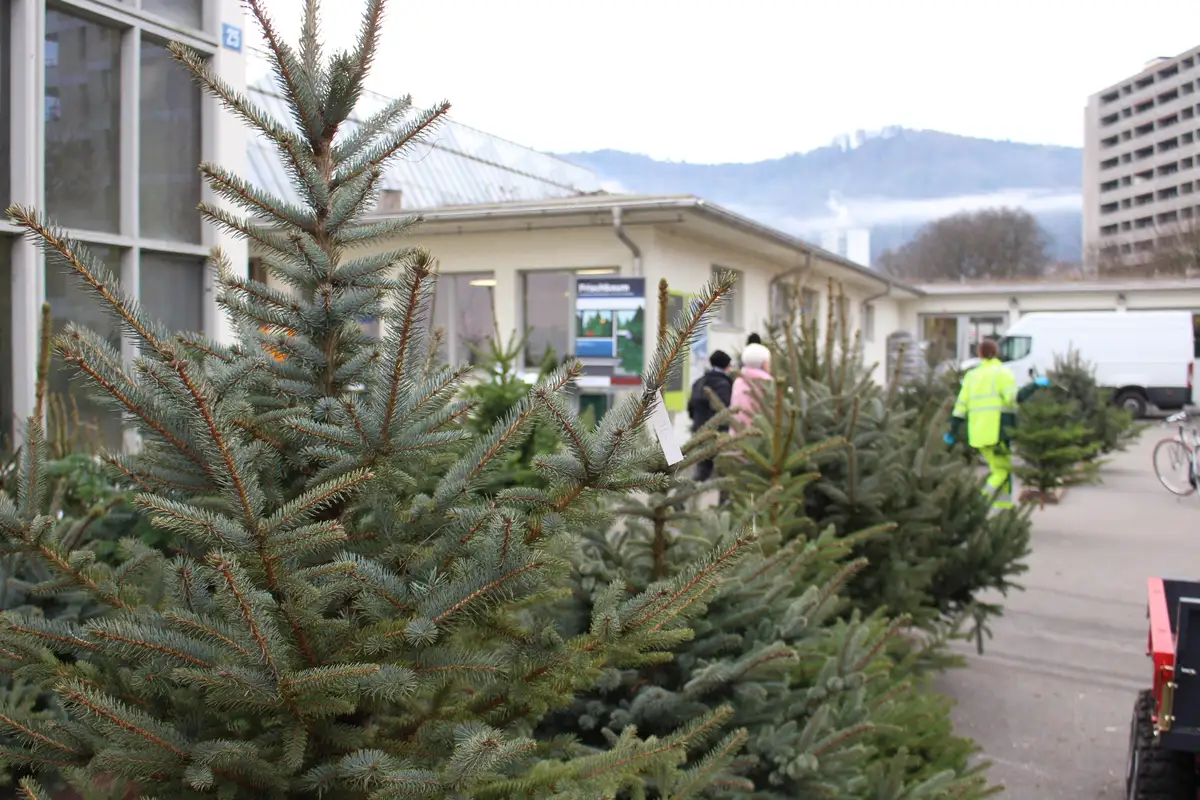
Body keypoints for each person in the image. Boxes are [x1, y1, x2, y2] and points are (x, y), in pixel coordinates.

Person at [947, 337, 1048, 510]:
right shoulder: (1002, 373)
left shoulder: (971, 376)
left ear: (979, 354)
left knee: (1001, 470)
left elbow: (960, 408)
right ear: (997, 353)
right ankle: (978, 502)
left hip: (978, 433)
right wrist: (1035, 385)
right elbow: (1014, 397)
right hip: (999, 431)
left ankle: (1003, 507)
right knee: (1001, 471)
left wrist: (953, 431)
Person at [686, 350, 734, 481]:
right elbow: (723, 409)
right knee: (723, 472)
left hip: (698, 429)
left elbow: (690, 407)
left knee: (702, 468)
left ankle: (686, 496)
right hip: (717, 433)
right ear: (726, 366)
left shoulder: (699, 382)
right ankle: (724, 501)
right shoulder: (723, 384)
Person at [731, 342, 773, 428]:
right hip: (760, 429)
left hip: (738, 429)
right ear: (764, 363)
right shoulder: (766, 382)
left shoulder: (738, 381)